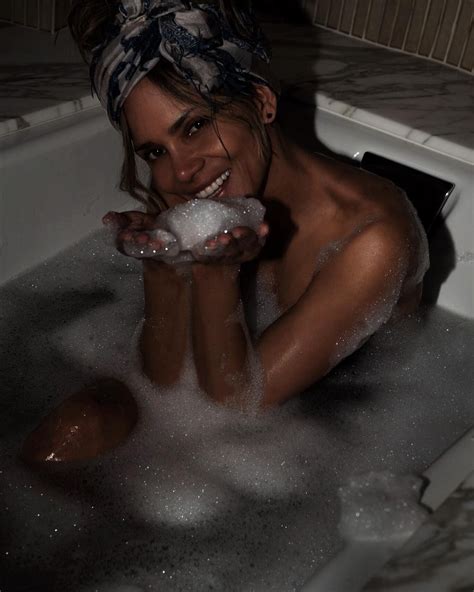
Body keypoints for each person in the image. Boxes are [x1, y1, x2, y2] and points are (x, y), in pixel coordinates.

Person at [21, 0, 429, 463]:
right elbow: (161, 379)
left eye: (195, 125)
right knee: (72, 428)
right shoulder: (190, 187)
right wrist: (163, 266)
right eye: (155, 151)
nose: (182, 170)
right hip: (226, 411)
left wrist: (218, 274)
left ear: (261, 101)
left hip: (339, 428)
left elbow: (234, 407)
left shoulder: (371, 238)